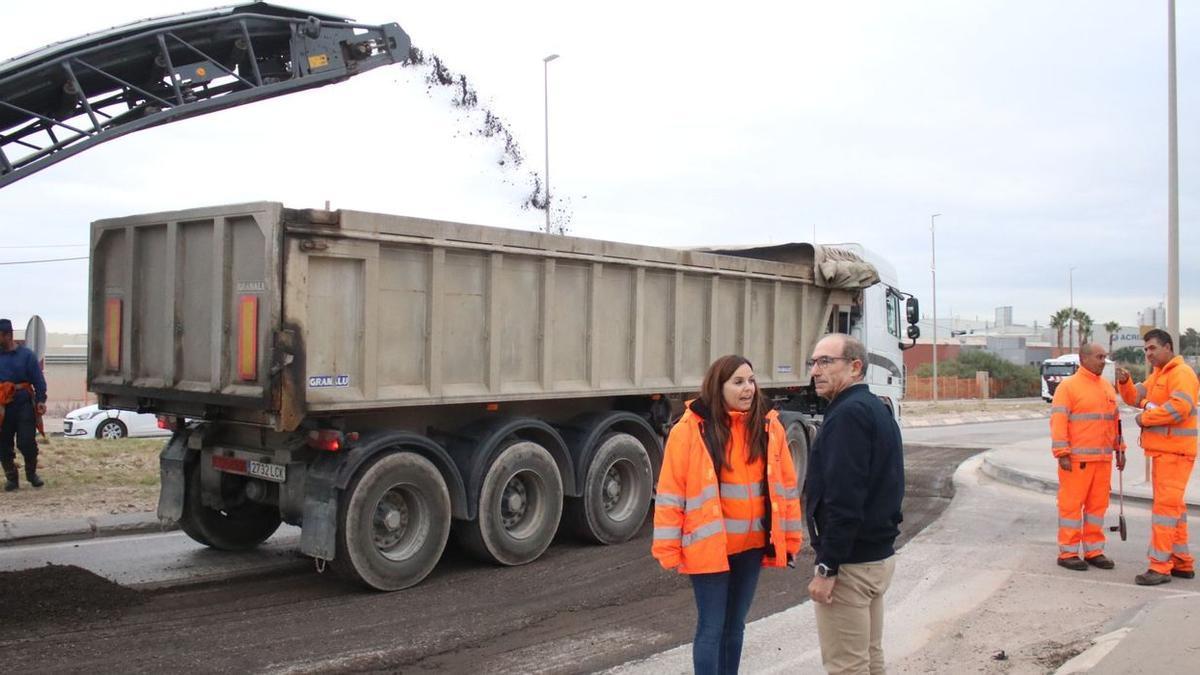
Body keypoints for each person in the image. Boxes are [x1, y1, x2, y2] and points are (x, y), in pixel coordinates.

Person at [652, 354, 804, 675]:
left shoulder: (769, 427)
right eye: (738, 382)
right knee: (711, 628)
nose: (748, 388)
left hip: (750, 548)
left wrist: (789, 540)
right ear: (717, 387)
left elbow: (786, 489)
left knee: (735, 627)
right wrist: (667, 548)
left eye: (751, 380)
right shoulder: (690, 430)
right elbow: (671, 493)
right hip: (710, 550)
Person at [804, 333, 904, 675]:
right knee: (869, 658)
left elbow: (844, 500)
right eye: (813, 363)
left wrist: (827, 568)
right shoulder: (875, 407)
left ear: (855, 367)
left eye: (826, 362)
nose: (816, 370)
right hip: (875, 557)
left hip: (850, 566)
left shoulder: (847, 416)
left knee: (847, 666)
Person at [1116, 328, 1198, 585]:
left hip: (1175, 452)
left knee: (1164, 510)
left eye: (1152, 348)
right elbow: (1134, 398)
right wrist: (1125, 381)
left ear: (1167, 347)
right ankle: (1182, 562)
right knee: (1175, 509)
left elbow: (1180, 408)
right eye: (1145, 349)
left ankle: (1160, 567)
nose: (1148, 353)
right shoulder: (1158, 376)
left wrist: (1145, 418)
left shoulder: (1181, 374)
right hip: (1166, 452)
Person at [1049, 343, 1125, 571]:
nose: (1103, 360)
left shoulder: (1107, 387)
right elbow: (1059, 422)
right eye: (1099, 356)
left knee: (1097, 508)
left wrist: (1120, 449)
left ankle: (1094, 550)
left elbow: (1115, 423)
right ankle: (1068, 552)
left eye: (1105, 357)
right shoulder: (1068, 387)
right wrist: (1062, 453)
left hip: (1103, 461)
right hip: (1075, 461)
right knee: (1071, 507)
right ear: (1084, 359)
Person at [0, 318, 48, 491]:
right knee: (3, 443)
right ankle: (12, 478)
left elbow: (38, 380)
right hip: (2, 407)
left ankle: (31, 474)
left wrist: (41, 399)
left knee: (26, 442)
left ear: (7, 335)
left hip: (23, 405)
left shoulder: (26, 355)